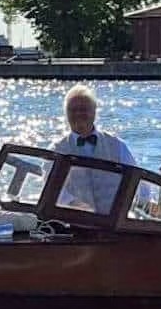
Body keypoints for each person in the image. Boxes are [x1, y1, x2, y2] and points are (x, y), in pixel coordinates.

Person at [51, 84, 138, 215]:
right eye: (73, 109)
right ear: (66, 113)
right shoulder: (57, 150)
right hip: (72, 222)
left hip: (113, 222)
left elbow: (137, 181)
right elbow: (51, 188)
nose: (78, 113)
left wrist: (146, 205)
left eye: (84, 109)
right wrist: (73, 204)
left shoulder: (117, 145)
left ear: (94, 111)